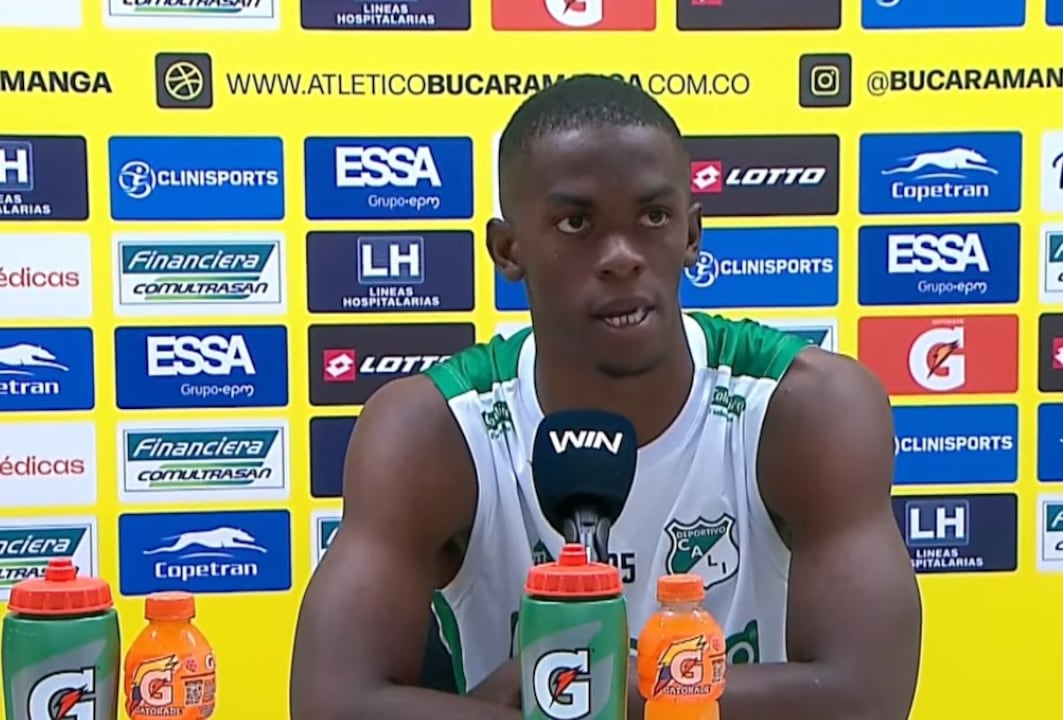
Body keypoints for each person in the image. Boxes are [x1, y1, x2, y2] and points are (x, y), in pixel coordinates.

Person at [289, 73, 922, 720]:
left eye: (653, 217)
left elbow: (866, 699)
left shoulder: (805, 409)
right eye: (576, 223)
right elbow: (330, 703)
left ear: (691, 234)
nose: (622, 257)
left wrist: (581, 693)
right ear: (509, 250)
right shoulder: (433, 431)